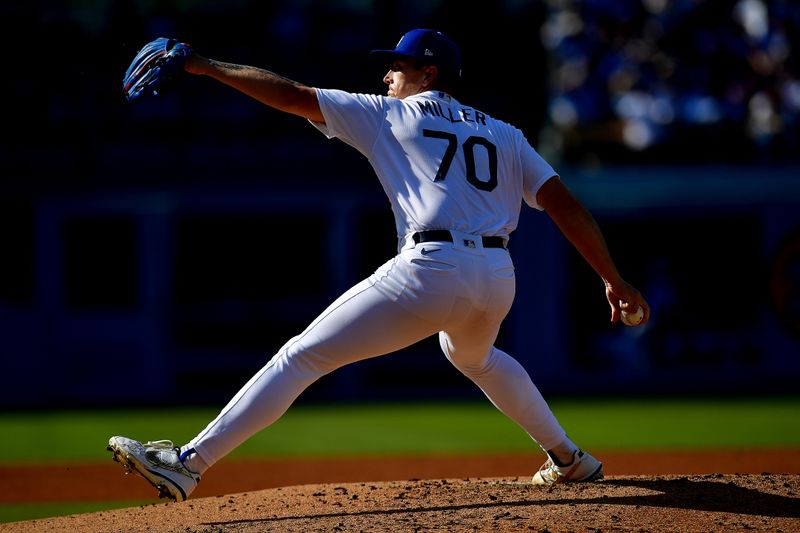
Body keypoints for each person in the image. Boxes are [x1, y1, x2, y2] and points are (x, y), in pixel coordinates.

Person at [108, 28, 650, 501]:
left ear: (429, 72)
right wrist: (612, 277)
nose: (388, 74)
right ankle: (570, 458)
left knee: (301, 357)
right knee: (474, 357)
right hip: (497, 276)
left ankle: (186, 465)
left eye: (398, 64)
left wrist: (203, 66)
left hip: (431, 266)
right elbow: (564, 203)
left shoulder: (389, 113)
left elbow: (292, 96)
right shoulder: (504, 133)